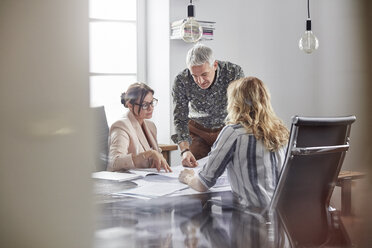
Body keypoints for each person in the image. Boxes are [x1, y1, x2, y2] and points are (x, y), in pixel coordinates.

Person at [178, 77, 289, 207]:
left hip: (251, 217)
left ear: (236, 103)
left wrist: (188, 177)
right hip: (281, 216)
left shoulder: (234, 133)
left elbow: (202, 184)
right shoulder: (280, 132)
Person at [171, 44, 245, 167]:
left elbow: (241, 109)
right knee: (193, 168)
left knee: (233, 168)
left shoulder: (233, 72)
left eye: (204, 74)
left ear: (214, 65)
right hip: (197, 131)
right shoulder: (181, 80)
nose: (200, 81)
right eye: (194, 76)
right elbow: (180, 118)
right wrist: (185, 150)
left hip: (226, 128)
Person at [107, 82, 171, 172]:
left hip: (151, 179)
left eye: (151, 102)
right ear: (130, 105)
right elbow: (114, 163)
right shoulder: (121, 126)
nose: (150, 108)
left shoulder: (150, 126)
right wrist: (149, 154)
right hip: (128, 182)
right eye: (145, 105)